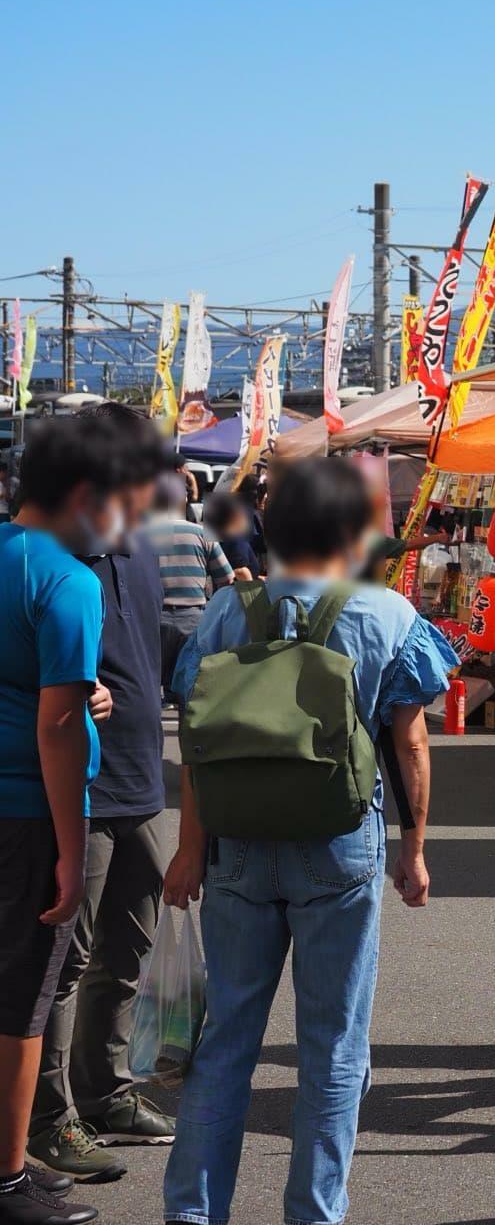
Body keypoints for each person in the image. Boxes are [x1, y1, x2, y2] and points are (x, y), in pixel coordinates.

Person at [160, 456, 454, 1225]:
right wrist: (414, 849)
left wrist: (189, 849)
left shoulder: (229, 612)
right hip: (337, 845)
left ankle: (193, 1213)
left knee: (225, 1043)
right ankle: (313, 1214)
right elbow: (411, 744)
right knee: (332, 1049)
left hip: (237, 849)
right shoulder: (385, 615)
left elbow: (197, 739)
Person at [29, 408, 176, 1188]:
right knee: (60, 959)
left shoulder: (139, 550)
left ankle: (107, 1091)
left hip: (141, 785)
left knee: (127, 949)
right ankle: (46, 1118)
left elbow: (155, 654)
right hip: (73, 789)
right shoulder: (48, 558)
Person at [0, 416, 121, 1225]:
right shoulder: (70, 580)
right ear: (83, 494)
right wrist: (73, 854)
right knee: (20, 1005)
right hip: (27, 814)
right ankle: (7, 1180)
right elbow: (53, 727)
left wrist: (78, 697)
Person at [141, 476, 236, 692]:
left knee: (152, 687)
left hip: (155, 618)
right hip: (194, 619)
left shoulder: (144, 535)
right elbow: (227, 579)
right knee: (191, 688)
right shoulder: (202, 534)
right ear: (183, 500)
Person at [201, 494, 258, 581]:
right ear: (235, 517)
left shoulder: (218, 539)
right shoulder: (236, 539)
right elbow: (240, 571)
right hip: (239, 592)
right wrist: (254, 595)